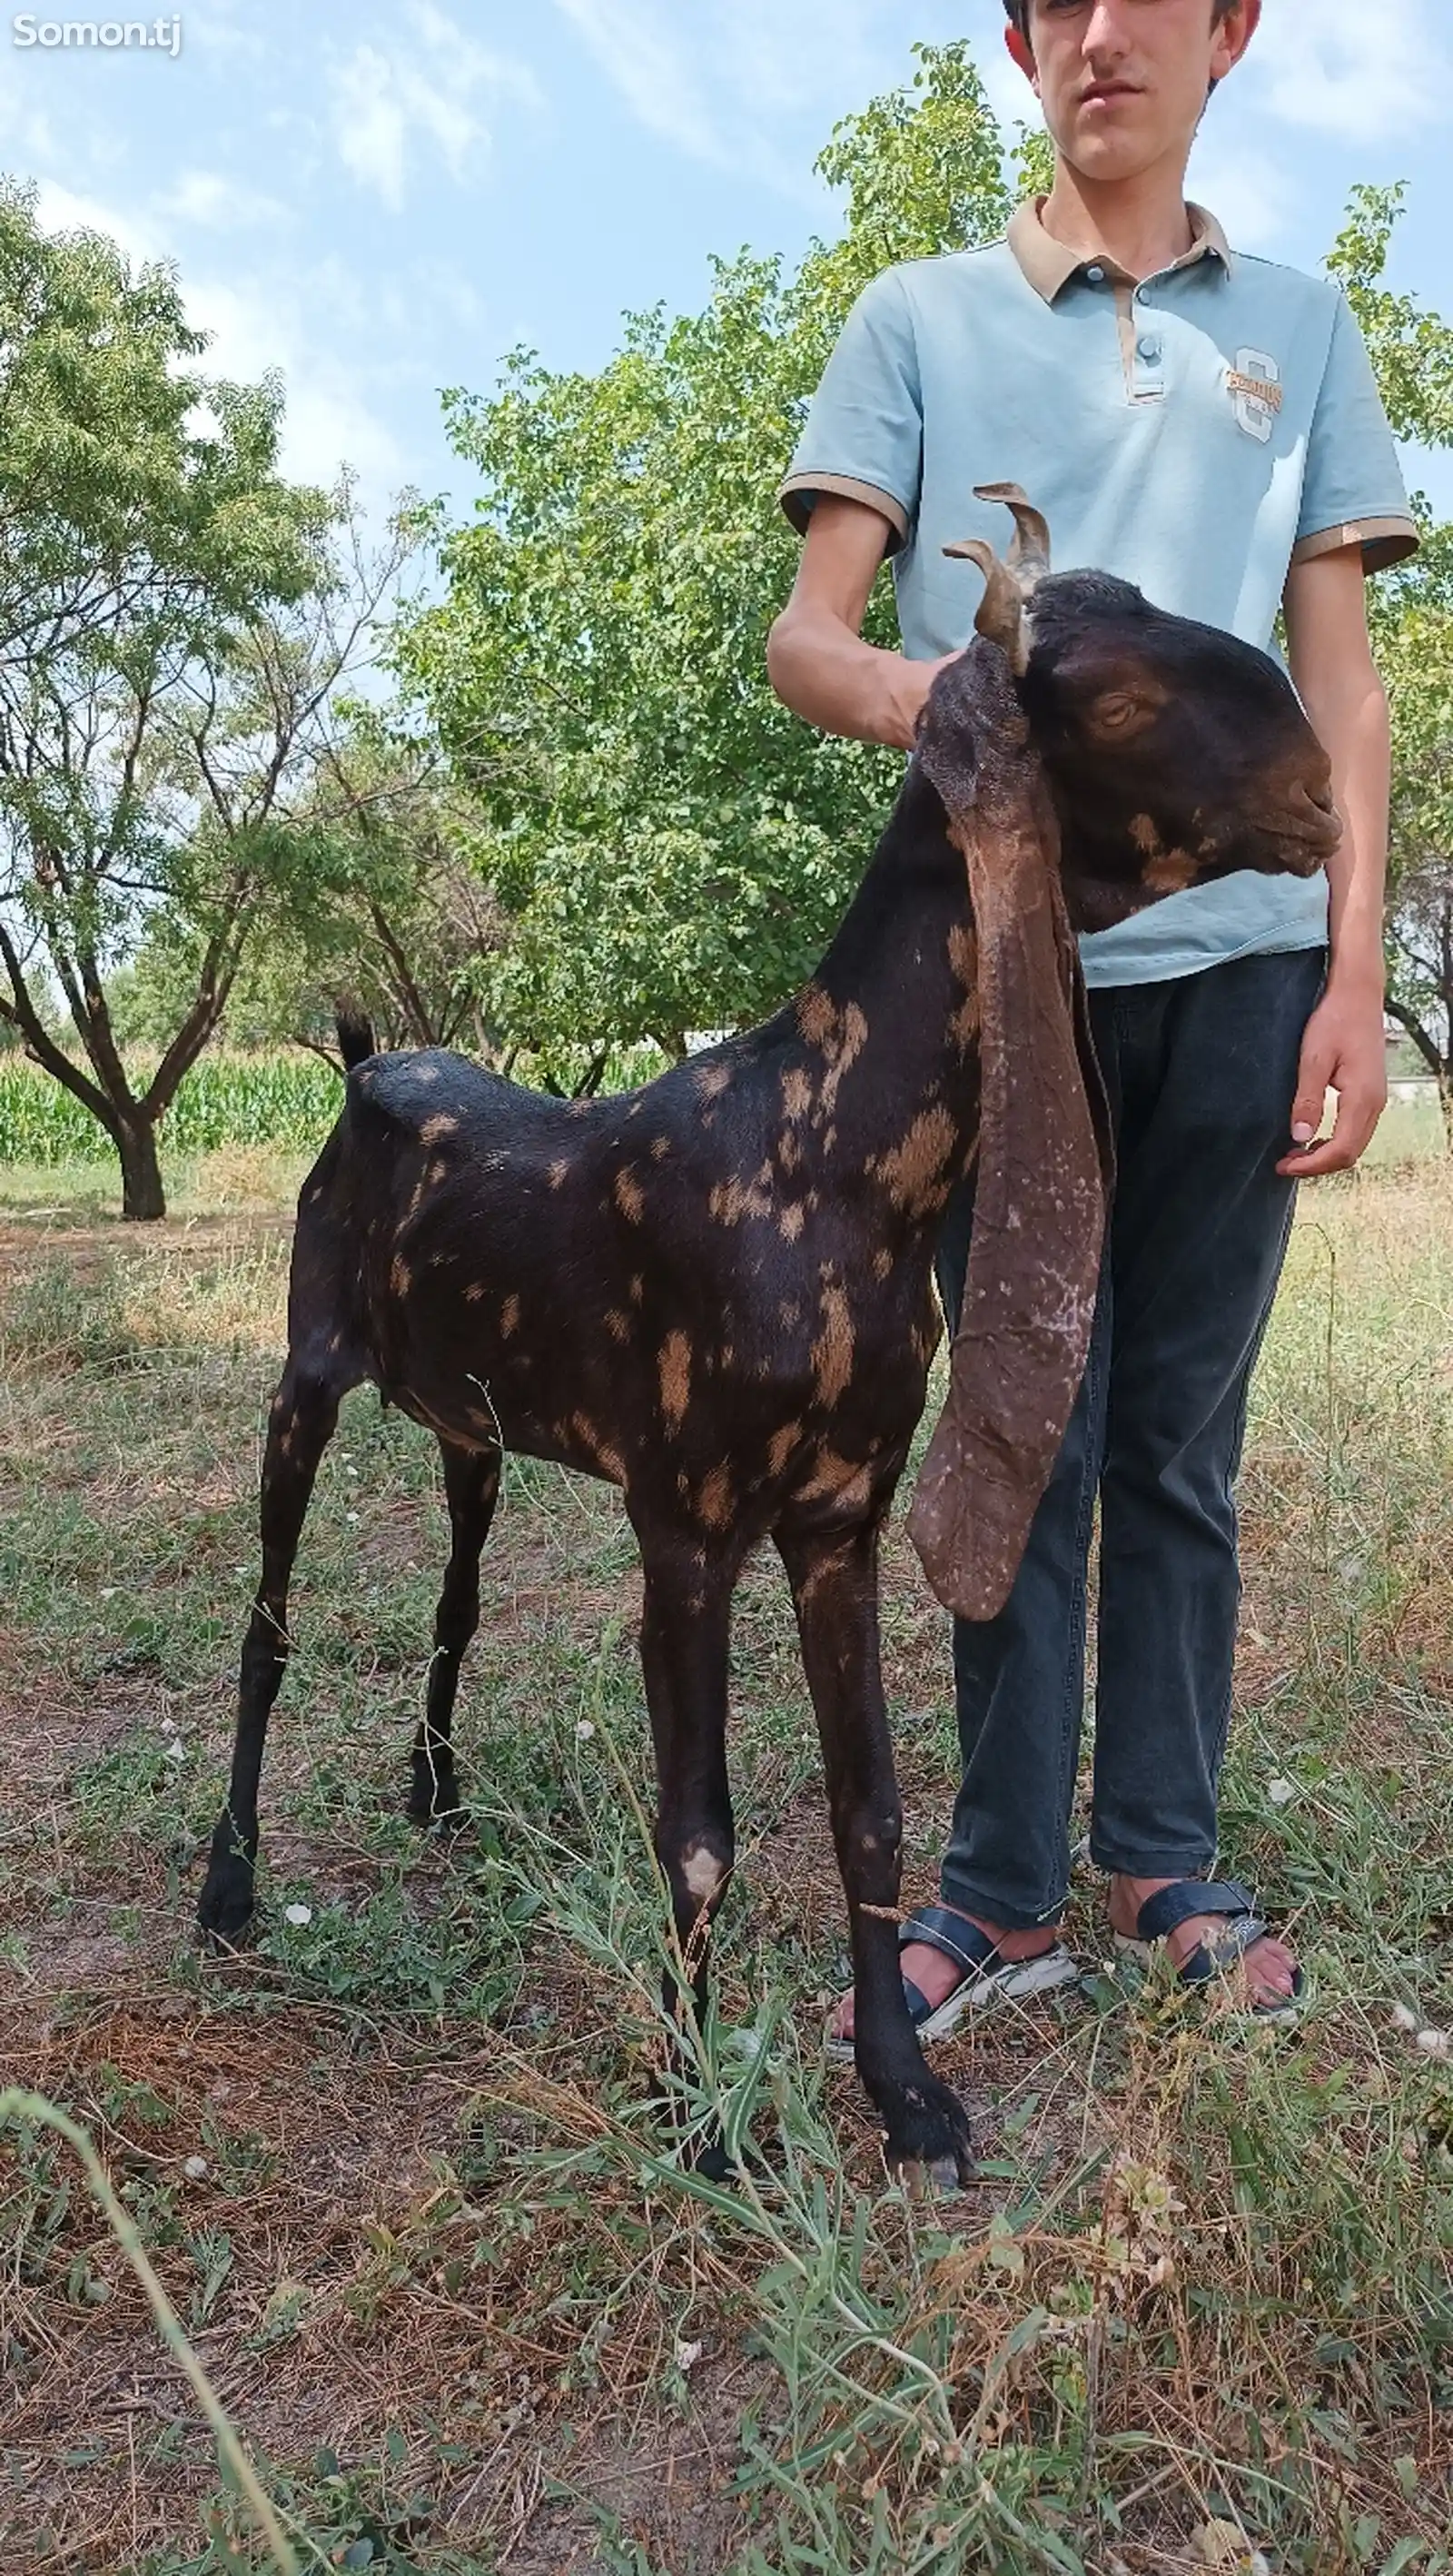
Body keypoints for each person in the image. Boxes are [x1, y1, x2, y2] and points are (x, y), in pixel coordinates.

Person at [767, 0, 1414, 2036]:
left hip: (1233, 977)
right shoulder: (920, 314)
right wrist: (964, 718)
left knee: (1175, 1442)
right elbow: (811, 639)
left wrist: (1351, 967)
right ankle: (996, 1889)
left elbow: (1345, 684)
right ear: (1022, 40)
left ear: (1230, 34)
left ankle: (1158, 1858)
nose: (1102, 32)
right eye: (1059, 1)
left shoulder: (1296, 327)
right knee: (1013, 1422)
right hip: (997, 986)